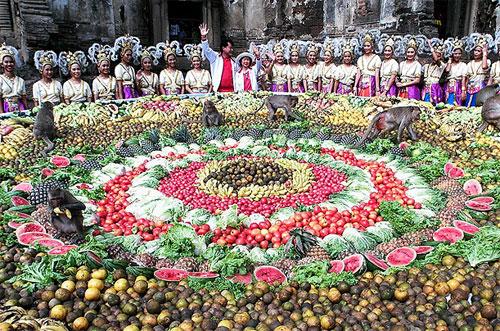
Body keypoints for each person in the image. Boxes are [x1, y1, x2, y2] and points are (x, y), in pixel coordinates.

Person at [199, 23, 236, 92]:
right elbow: (207, 50)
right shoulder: (215, 58)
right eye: (230, 48)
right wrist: (203, 37)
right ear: (223, 48)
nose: (232, 50)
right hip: (219, 90)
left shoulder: (234, 61)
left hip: (233, 91)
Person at [0, 43, 27, 113]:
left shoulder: (21, 80)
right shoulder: (0, 79)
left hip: (20, 109)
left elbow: (24, 99)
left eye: (11, 62)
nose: (9, 64)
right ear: (2, 64)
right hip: (6, 108)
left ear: (14, 63)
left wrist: (27, 112)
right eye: (6, 62)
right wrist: (1, 114)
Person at [465, 36, 490, 107]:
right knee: (467, 106)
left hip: (480, 87)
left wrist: (485, 53)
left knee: (477, 106)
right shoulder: (469, 63)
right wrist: (464, 90)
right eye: (475, 50)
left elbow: (484, 67)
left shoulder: (487, 61)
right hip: (470, 88)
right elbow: (467, 78)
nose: (476, 52)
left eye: (479, 51)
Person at [444, 38, 467, 105]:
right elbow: (447, 70)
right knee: (447, 104)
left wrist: (463, 91)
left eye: (459, 54)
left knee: (457, 104)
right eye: (455, 53)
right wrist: (449, 61)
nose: (457, 55)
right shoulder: (448, 64)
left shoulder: (463, 65)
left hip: (458, 86)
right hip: (448, 86)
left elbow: (463, 79)